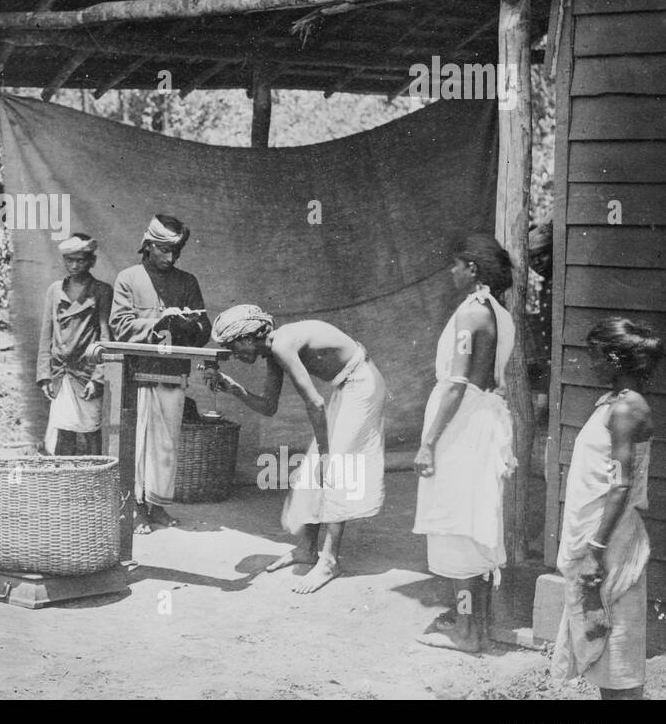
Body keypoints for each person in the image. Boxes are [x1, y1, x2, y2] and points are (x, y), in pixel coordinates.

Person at [208, 304, 387, 593]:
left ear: (247, 338)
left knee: (335, 469)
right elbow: (268, 407)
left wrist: (327, 454)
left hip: (362, 386)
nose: (234, 355)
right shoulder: (273, 352)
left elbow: (315, 403)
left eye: (232, 346)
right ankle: (306, 549)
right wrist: (234, 389)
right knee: (314, 469)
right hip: (347, 387)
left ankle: (329, 561)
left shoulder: (282, 344)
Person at [412, 233, 516, 653]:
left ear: (472, 268)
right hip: (479, 419)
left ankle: (468, 632)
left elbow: (456, 385)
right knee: (471, 522)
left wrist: (428, 443)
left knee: (457, 528)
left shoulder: (472, 314)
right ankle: (471, 621)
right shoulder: (497, 311)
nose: (451, 271)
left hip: (462, 426)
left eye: (456, 264)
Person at [552, 318, 661, 699]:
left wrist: (595, 553)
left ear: (614, 358)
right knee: (604, 654)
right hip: (600, 538)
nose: (589, 364)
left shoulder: (626, 408)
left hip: (610, 543)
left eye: (595, 355)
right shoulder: (616, 403)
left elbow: (621, 485)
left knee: (618, 660)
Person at [109, 214, 211, 533]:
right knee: (137, 444)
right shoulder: (128, 279)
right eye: (164, 251)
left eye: (175, 252)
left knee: (166, 446)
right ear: (149, 246)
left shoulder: (187, 282)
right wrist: (157, 322)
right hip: (137, 376)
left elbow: (203, 328)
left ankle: (158, 507)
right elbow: (120, 326)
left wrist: (185, 323)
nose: (170, 258)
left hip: (172, 375)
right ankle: (137, 508)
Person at [36, 233, 113, 455]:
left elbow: (105, 336)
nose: (75, 265)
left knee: (92, 430)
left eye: (81, 260)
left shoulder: (101, 291)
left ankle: (95, 482)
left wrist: (98, 378)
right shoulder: (55, 290)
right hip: (61, 373)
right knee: (64, 432)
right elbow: (46, 334)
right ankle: (64, 482)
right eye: (70, 260)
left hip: (86, 373)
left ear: (92, 261)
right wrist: (44, 375)